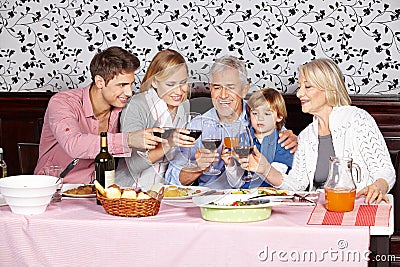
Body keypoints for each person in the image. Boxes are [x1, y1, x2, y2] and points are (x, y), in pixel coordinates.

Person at [238, 58, 395, 203]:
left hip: (360, 207)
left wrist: (378, 186)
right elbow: (297, 185)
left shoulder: (357, 119)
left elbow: (385, 171)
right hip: (324, 208)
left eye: (307, 86)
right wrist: (265, 169)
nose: (299, 93)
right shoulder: (307, 135)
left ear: (329, 89)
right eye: (299, 87)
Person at [165, 55, 298, 189]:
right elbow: (172, 179)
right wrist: (198, 168)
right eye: (217, 88)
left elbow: (288, 157)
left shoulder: (261, 116)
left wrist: (295, 142)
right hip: (211, 201)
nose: (223, 95)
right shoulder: (197, 126)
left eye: (230, 87)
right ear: (210, 88)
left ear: (244, 89)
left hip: (254, 199)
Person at [34, 46, 161, 184]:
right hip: (55, 190)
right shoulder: (62, 102)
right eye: (122, 85)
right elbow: (74, 144)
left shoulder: (126, 108)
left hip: (99, 191)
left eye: (131, 84)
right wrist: (128, 140)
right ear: (99, 81)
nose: (129, 92)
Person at [115, 49, 196, 190]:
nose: (178, 91)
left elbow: (178, 158)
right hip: (132, 191)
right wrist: (168, 142)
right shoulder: (136, 105)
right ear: (154, 83)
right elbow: (134, 165)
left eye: (183, 83)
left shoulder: (184, 105)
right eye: (170, 84)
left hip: (167, 190)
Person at [223, 88, 293, 188]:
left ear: (279, 117)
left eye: (267, 113)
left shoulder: (284, 142)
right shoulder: (242, 139)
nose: (260, 118)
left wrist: (253, 164)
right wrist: (230, 165)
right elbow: (236, 183)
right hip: (244, 197)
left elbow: (275, 181)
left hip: (273, 196)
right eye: (255, 113)